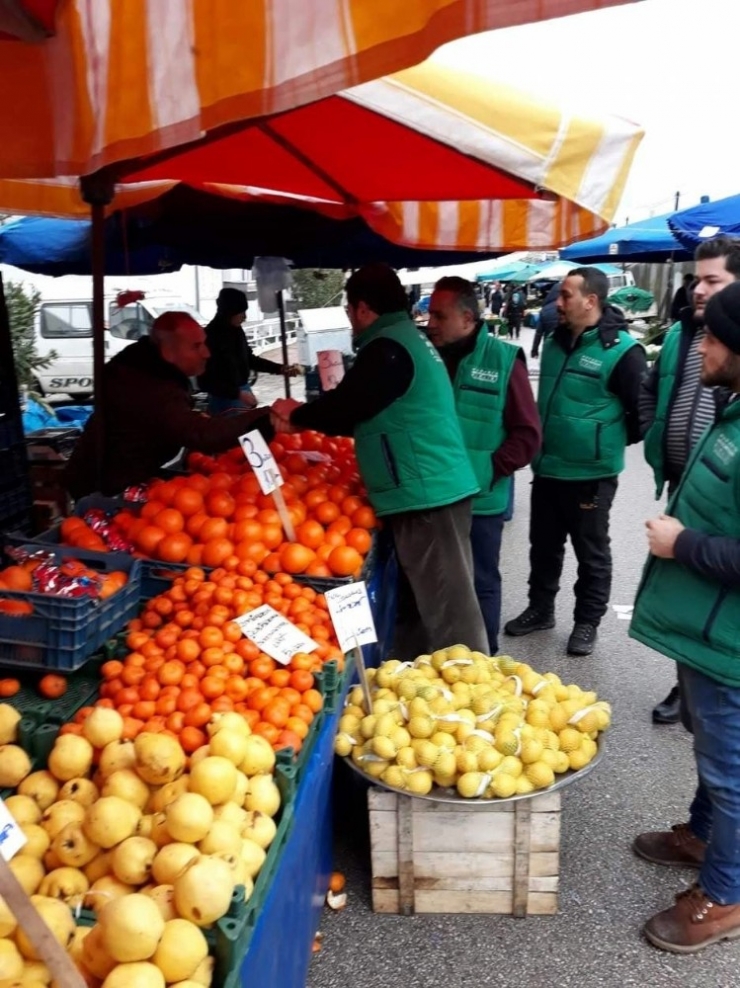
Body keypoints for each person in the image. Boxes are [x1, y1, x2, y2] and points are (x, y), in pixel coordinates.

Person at [271, 262, 489, 661]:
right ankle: (426, 685)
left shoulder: (387, 347)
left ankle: (475, 701)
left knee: (450, 614)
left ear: (363, 309)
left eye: (349, 312)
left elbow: (347, 407)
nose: (351, 322)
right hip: (428, 488)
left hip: (428, 494)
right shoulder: (405, 339)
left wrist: (296, 416)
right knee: (430, 606)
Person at [630, 281, 740, 954]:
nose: (702, 346)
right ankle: (701, 836)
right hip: (705, 627)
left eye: (715, 337)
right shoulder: (731, 409)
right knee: (708, 744)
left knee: (732, 770)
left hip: (729, 638)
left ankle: (725, 895)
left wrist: (684, 545)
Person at [504, 267, 647, 656]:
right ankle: (541, 608)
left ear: (591, 301)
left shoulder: (621, 351)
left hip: (591, 475)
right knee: (543, 546)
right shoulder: (553, 340)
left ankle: (587, 622)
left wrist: (601, 442)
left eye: (566, 296)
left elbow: (642, 414)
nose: (558, 303)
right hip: (548, 467)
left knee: (591, 551)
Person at [640, 236, 740, 724]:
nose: (698, 290)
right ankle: (691, 685)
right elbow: (651, 388)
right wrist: (653, 433)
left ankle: (699, 694)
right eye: (697, 279)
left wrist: (682, 543)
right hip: (690, 477)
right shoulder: (684, 335)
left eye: (712, 280)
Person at [426, 276, 541, 653]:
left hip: (481, 501)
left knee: (480, 583)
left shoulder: (504, 360)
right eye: (430, 315)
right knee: (435, 582)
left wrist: (488, 471)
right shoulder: (426, 357)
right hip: (431, 496)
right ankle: (437, 662)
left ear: (467, 317)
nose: (431, 324)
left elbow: (527, 436)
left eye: (439, 316)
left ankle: (484, 661)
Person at [64, 311, 271, 498]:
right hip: (105, 488)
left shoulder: (142, 365)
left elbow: (156, 419)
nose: (207, 353)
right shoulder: (148, 385)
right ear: (168, 352)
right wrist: (269, 416)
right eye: (196, 346)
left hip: (123, 475)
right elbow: (201, 434)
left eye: (204, 343)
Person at [198, 287, 299, 414]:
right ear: (230, 312)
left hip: (243, 391)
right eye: (241, 312)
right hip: (224, 400)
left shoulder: (237, 331)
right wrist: (237, 394)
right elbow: (205, 382)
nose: (245, 317)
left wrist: (279, 368)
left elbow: (250, 360)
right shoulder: (209, 337)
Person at [530, 282, 561, 359]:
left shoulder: (545, 309)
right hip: (564, 348)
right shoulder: (568, 308)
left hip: (548, 346)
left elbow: (539, 333)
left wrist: (534, 350)